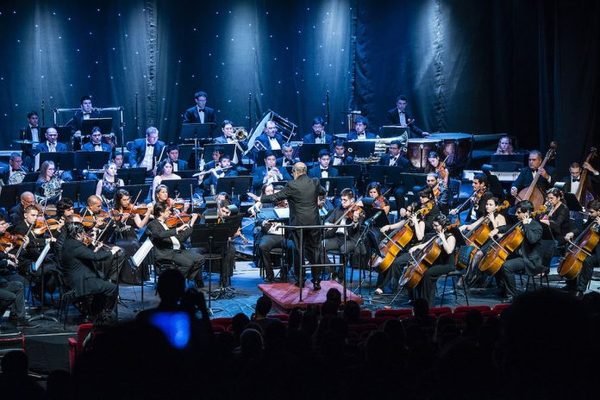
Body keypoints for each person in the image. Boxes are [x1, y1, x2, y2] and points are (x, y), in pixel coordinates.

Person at [247, 162, 326, 290]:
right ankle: (316, 281)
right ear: (305, 171)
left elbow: (276, 197)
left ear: (295, 172)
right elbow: (323, 191)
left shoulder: (292, 185)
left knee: (299, 251)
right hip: (314, 223)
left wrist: (260, 199)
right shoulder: (315, 182)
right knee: (314, 250)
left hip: (298, 224)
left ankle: (301, 280)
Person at [61, 214, 120, 321]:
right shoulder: (76, 246)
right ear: (77, 234)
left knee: (102, 285)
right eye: (82, 232)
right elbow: (95, 257)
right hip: (81, 282)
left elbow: (86, 254)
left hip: (77, 278)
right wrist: (112, 252)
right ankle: (105, 314)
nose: (84, 235)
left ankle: (95, 312)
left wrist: (94, 246)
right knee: (112, 288)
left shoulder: (68, 242)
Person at [494, 200, 544, 302]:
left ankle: (512, 295)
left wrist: (526, 225)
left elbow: (532, 239)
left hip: (530, 259)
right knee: (497, 261)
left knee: (506, 266)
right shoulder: (520, 223)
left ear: (526, 213)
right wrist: (498, 229)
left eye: (518, 212)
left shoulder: (536, 226)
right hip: (520, 256)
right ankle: (503, 288)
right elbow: (509, 227)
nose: (516, 214)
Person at [146, 202, 204, 288]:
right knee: (188, 263)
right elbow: (159, 234)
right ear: (161, 212)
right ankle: (177, 285)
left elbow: (181, 238)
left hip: (177, 250)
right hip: (166, 253)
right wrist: (177, 229)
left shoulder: (168, 223)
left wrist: (191, 224)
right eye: (168, 211)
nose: (170, 212)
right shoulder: (153, 224)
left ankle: (182, 279)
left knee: (200, 258)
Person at [374, 202, 426, 294]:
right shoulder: (406, 221)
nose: (407, 213)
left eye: (409, 211)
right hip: (404, 249)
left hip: (415, 250)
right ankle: (380, 284)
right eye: (407, 210)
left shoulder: (421, 223)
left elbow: (420, 237)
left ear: (415, 213)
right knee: (387, 260)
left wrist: (415, 223)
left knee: (396, 263)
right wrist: (387, 227)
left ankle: (387, 287)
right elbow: (395, 226)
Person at [410, 214, 456, 306]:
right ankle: (419, 300)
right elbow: (425, 245)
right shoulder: (436, 236)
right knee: (420, 271)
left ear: (442, 225)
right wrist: (415, 248)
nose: (434, 227)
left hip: (447, 265)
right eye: (433, 225)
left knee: (428, 274)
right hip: (437, 263)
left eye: (436, 225)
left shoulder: (451, 237)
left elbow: (449, 251)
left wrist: (443, 238)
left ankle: (428, 303)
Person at [322, 188, 364, 282]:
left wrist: (355, 220)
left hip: (351, 239)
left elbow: (357, 230)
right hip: (338, 238)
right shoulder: (339, 208)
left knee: (344, 249)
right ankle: (332, 271)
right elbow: (328, 220)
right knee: (320, 245)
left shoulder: (359, 211)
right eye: (341, 199)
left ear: (352, 200)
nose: (342, 202)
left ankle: (341, 276)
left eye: (345, 200)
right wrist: (329, 224)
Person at [112, 189, 152, 284]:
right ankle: (127, 278)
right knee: (130, 245)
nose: (127, 202)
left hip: (131, 235)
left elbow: (140, 225)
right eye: (124, 200)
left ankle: (137, 278)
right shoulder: (114, 211)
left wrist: (148, 213)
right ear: (119, 200)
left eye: (128, 199)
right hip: (119, 237)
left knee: (135, 245)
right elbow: (114, 229)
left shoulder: (132, 209)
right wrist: (122, 220)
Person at [562, 200, 600, 297]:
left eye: (591, 212)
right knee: (576, 256)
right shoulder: (593, 219)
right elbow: (583, 228)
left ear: (599, 211)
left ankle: (580, 289)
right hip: (589, 249)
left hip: (598, 253)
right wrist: (572, 233)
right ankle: (571, 283)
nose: (589, 214)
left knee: (587, 261)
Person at [255, 194, 293, 282]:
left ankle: (284, 272)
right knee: (263, 246)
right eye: (284, 201)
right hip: (270, 235)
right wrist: (263, 222)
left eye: (286, 201)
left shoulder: (291, 210)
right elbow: (259, 218)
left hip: (285, 236)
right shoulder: (269, 209)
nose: (286, 202)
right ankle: (269, 274)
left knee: (293, 247)